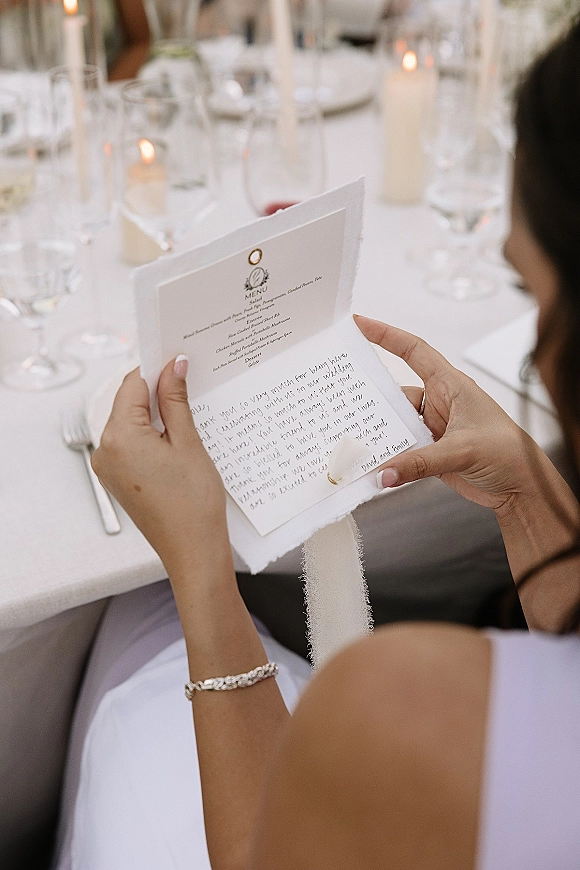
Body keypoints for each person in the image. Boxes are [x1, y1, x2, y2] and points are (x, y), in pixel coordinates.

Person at [54, 17, 580, 870]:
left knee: (129, 631)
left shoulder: (402, 702)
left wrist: (198, 568)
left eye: (531, 288)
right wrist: (528, 489)